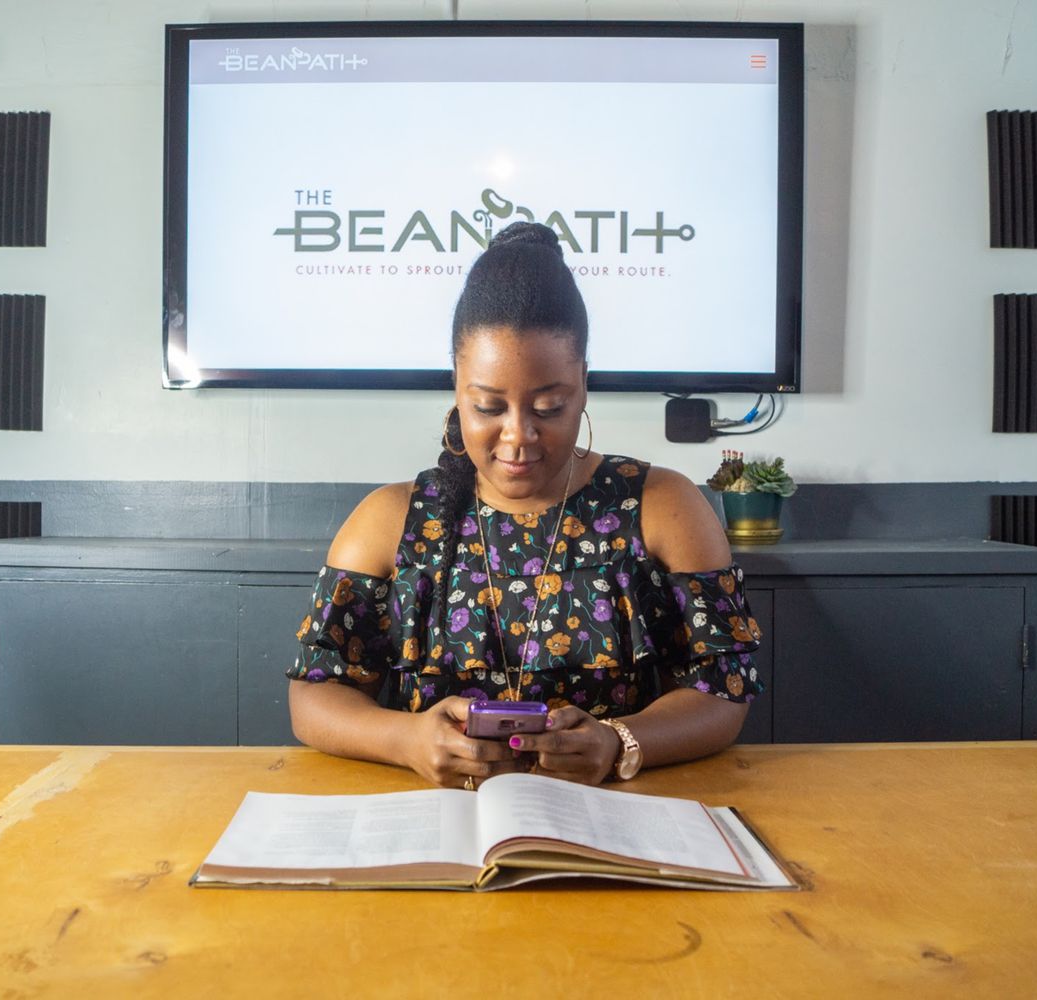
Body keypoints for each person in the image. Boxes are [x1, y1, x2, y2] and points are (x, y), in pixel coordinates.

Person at [286, 222, 762, 789]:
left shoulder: (663, 506)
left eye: (549, 407)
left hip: (611, 817)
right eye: (488, 407)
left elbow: (723, 690)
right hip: (436, 824)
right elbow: (314, 693)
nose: (518, 437)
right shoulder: (390, 521)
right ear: (457, 385)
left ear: (583, 385)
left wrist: (620, 743)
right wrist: (405, 740)